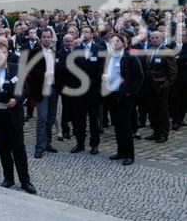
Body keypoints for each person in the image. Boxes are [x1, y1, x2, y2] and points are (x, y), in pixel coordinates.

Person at [0, 41, 36, 194]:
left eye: (3, 52)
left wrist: (16, 100)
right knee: (3, 149)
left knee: (19, 149)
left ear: (7, 53)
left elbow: (25, 89)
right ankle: (8, 178)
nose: (0, 55)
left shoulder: (16, 68)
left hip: (14, 115)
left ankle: (25, 181)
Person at [103, 34, 144, 166]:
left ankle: (129, 154)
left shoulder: (129, 56)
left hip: (125, 95)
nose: (115, 43)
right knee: (117, 124)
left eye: (118, 41)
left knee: (125, 124)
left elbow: (140, 77)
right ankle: (120, 151)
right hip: (112, 94)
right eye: (113, 41)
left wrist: (131, 93)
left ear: (123, 42)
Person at [71, 26, 105, 155]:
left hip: (93, 90)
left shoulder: (99, 49)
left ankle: (94, 144)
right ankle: (80, 143)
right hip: (80, 90)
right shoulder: (77, 49)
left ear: (92, 35)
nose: (84, 34)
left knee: (93, 118)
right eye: (82, 32)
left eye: (86, 32)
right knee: (79, 118)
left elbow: (102, 69)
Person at [27, 28, 59, 159]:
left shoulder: (53, 52)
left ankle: (48, 143)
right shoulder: (34, 52)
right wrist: (43, 75)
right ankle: (39, 146)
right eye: (44, 37)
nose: (46, 39)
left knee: (51, 117)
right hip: (41, 89)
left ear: (51, 38)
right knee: (42, 118)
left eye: (48, 37)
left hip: (54, 89)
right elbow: (31, 70)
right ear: (40, 38)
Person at [143, 31, 177, 143]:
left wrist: (165, 85)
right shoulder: (150, 50)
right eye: (152, 38)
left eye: (157, 38)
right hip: (150, 86)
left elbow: (173, 72)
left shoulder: (168, 52)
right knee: (152, 110)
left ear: (162, 39)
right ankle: (155, 131)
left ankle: (163, 133)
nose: (154, 40)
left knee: (162, 110)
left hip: (161, 86)